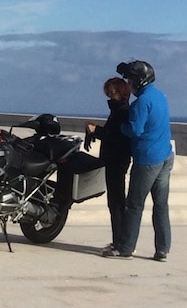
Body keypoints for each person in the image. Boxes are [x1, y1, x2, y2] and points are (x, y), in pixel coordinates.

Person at [102, 60, 173, 262]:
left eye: (131, 79)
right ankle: (162, 249)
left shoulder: (141, 102)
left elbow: (135, 130)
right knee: (161, 205)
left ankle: (125, 248)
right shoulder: (160, 96)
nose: (129, 84)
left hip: (147, 158)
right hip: (166, 155)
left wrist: (119, 128)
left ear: (140, 81)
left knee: (134, 205)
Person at [85, 77, 132, 252]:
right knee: (115, 200)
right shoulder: (118, 110)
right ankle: (119, 240)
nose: (111, 94)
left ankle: (121, 242)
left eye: (114, 91)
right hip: (114, 159)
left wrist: (96, 131)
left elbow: (117, 137)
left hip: (117, 160)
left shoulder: (122, 110)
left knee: (117, 201)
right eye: (109, 91)